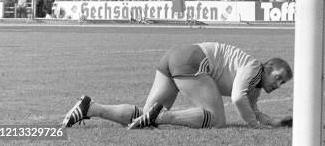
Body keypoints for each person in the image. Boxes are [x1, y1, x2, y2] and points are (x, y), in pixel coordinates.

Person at [62, 42, 293, 129]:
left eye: (282, 82)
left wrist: (273, 122)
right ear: (268, 67)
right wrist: (254, 125)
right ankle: (161, 117)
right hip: (192, 59)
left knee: (143, 117)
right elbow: (237, 98)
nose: (279, 84)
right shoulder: (253, 68)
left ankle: (91, 108)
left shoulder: (254, 85)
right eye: (279, 77)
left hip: (176, 55)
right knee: (217, 119)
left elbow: (252, 108)